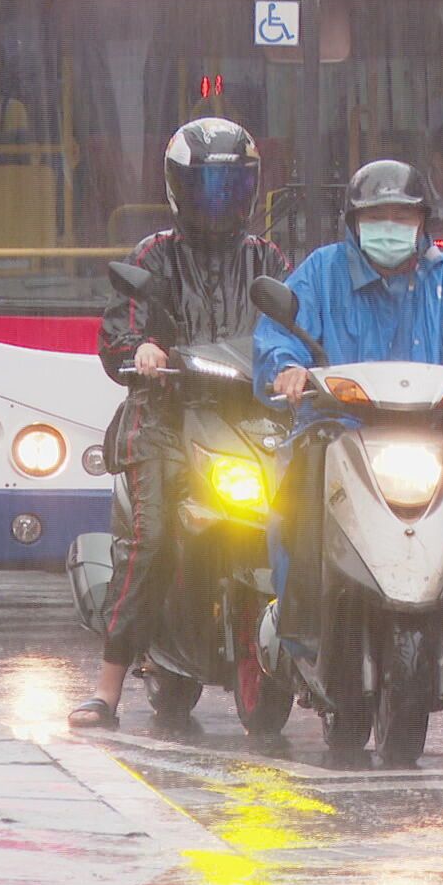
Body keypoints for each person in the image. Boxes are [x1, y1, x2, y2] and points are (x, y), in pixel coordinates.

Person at [252, 160, 443, 759]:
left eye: (402, 215)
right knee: (294, 529)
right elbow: (277, 338)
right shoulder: (320, 274)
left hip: (438, 441)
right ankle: (302, 646)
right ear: (353, 223)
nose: (390, 226)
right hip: (334, 439)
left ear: (423, 221)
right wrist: (286, 369)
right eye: (376, 216)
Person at [69, 118, 292, 729]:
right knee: (156, 538)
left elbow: (294, 327)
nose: (221, 201)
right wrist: (141, 348)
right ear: (179, 188)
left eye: (233, 186)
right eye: (208, 187)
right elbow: (121, 329)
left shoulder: (268, 258)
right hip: (164, 419)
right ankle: (107, 687)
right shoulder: (153, 255)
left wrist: (302, 365)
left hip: (248, 417)